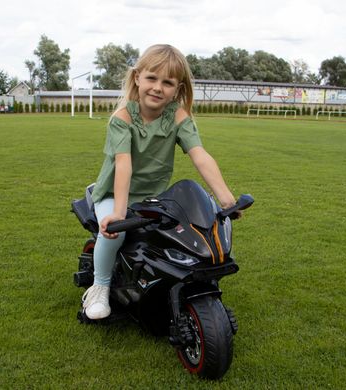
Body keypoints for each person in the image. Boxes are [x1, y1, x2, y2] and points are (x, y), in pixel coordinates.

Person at [82, 44, 237, 319]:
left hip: (153, 194)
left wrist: (224, 198)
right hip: (113, 194)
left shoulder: (178, 116)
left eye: (167, 82)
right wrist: (118, 212)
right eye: (152, 78)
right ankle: (99, 286)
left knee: (177, 231)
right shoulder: (123, 118)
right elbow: (124, 165)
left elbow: (199, 155)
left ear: (177, 89)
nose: (157, 87)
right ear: (137, 78)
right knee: (115, 236)